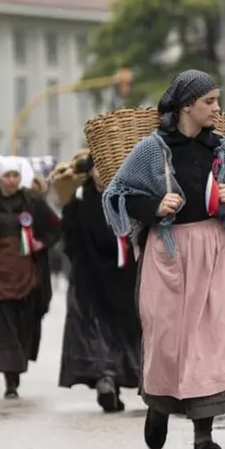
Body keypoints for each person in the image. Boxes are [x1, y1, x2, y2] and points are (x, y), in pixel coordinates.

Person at [102, 70, 225, 449]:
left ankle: (203, 436)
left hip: (212, 249)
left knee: (209, 341)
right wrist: (154, 207)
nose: (217, 108)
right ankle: (159, 406)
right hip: (168, 251)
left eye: (217, 100)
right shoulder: (151, 149)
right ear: (186, 105)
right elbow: (118, 194)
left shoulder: (222, 149)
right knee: (169, 340)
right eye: (209, 101)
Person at [0, 156, 59, 398]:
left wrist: (42, 243)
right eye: (6, 176)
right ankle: (10, 379)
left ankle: (16, 369)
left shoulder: (33, 202)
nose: (11, 180)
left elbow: (55, 226)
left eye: (15, 176)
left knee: (23, 323)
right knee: (1, 325)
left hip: (26, 273)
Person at [58, 154, 141, 412]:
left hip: (124, 276)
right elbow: (68, 238)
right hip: (90, 277)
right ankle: (105, 377)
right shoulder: (79, 201)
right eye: (98, 168)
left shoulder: (128, 198)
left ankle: (120, 378)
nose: (102, 174)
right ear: (90, 172)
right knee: (95, 329)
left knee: (124, 328)